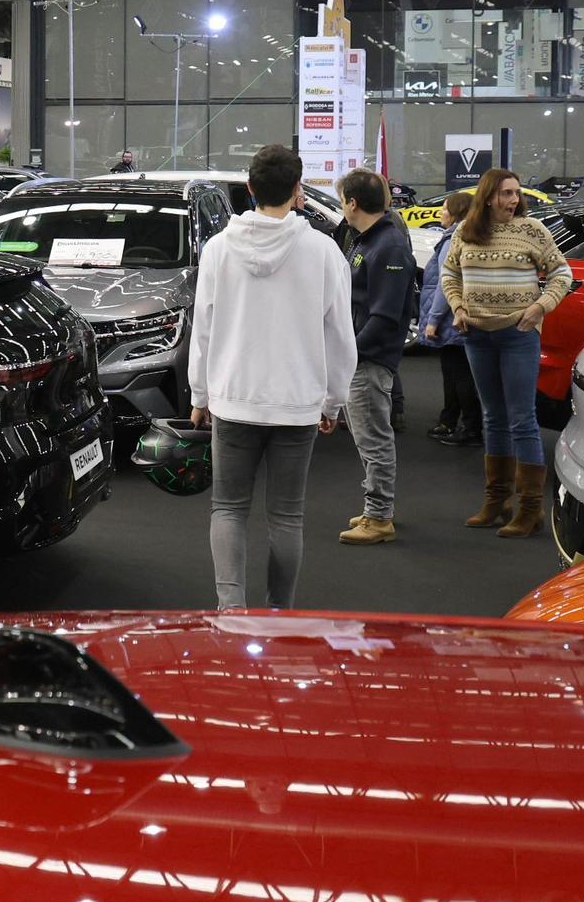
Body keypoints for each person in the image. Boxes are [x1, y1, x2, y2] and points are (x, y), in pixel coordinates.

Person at [187, 144, 354, 611]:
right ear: (299, 190)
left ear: (251, 189)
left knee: (228, 508)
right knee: (286, 516)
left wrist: (200, 393)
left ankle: (230, 609)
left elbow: (203, 326)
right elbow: (340, 333)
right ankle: (279, 611)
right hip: (298, 403)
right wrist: (333, 401)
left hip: (232, 399)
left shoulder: (219, 249)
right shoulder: (323, 251)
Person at [441, 167, 574, 538]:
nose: (514, 200)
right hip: (476, 335)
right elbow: (450, 274)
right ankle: (496, 501)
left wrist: (541, 307)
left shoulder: (533, 231)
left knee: (521, 418)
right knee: (492, 418)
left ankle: (530, 508)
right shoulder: (467, 232)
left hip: (518, 335)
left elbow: (562, 273)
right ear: (487, 197)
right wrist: (458, 308)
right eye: (506, 194)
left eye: (516, 193)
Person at [336, 167, 418, 545]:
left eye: (341, 201)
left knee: (374, 440)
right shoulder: (367, 240)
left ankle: (379, 517)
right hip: (361, 355)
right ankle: (377, 509)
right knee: (368, 437)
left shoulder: (388, 245)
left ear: (352, 203)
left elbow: (384, 315)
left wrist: (349, 353)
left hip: (369, 358)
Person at [419, 191, 480, 446]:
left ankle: (470, 429)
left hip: (450, 320)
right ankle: (452, 421)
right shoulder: (465, 235)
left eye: (445, 208)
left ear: (456, 212)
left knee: (459, 375)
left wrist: (432, 320)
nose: (441, 213)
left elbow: (446, 284)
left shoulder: (452, 240)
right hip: (457, 318)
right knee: (456, 373)